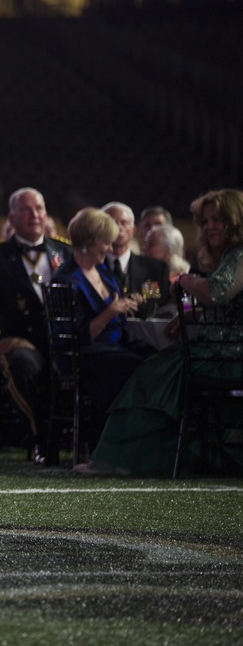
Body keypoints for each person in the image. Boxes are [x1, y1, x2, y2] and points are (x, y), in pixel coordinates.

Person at [80, 189, 243, 476]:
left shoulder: (239, 253)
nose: (210, 227)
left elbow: (217, 291)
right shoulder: (232, 254)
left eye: (217, 219)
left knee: (151, 375)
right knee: (152, 370)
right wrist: (194, 314)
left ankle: (118, 459)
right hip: (219, 352)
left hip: (228, 357)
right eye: (205, 221)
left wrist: (183, 280)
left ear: (235, 220)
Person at [0, 187, 73, 463]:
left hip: (62, 343)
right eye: (25, 209)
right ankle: (41, 439)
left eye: (39, 208)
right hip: (20, 343)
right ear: (12, 217)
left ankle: (86, 441)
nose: (34, 215)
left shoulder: (65, 252)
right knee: (23, 365)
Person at [49, 208, 156, 452]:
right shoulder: (67, 279)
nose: (109, 248)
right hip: (82, 354)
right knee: (129, 364)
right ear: (87, 241)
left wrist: (128, 303)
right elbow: (74, 338)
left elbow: (115, 306)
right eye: (105, 242)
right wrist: (111, 311)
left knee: (154, 357)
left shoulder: (103, 271)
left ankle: (141, 442)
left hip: (113, 347)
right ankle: (107, 446)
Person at [102, 202, 171, 306]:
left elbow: (159, 306)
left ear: (133, 230)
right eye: (112, 223)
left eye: (124, 223)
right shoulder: (91, 267)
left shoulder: (153, 269)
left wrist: (142, 306)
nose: (118, 228)